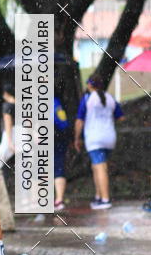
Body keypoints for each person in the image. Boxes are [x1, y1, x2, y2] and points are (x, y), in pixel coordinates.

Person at [74, 75, 125, 210]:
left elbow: (80, 121)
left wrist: (77, 138)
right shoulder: (110, 98)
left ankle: (105, 199)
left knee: (100, 167)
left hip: (94, 137)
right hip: (109, 136)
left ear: (90, 85)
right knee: (97, 167)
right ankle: (98, 196)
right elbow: (121, 117)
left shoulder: (87, 98)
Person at [53, 94, 70, 210]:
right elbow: (63, 121)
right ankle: (59, 200)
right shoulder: (56, 101)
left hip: (46, 135)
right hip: (59, 135)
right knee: (59, 167)